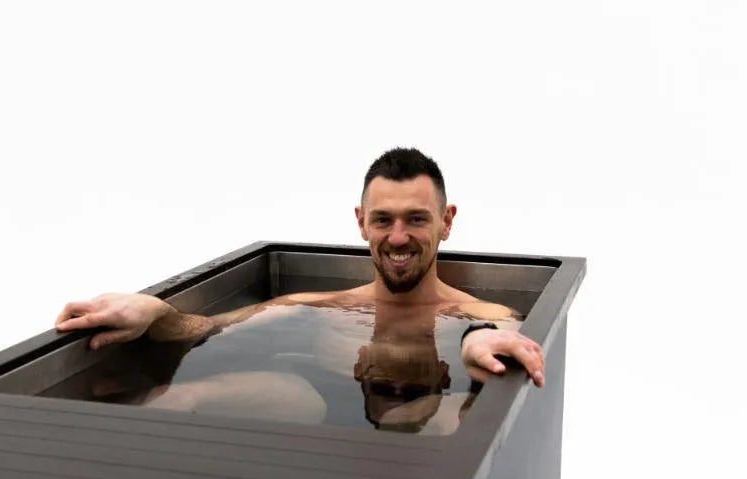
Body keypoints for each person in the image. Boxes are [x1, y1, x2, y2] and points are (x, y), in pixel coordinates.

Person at [54, 148, 546, 427]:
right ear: (361, 223)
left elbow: (499, 333)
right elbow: (204, 328)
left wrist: (475, 340)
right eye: (383, 220)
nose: (398, 237)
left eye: (416, 219)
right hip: (321, 410)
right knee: (257, 395)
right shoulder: (315, 304)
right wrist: (154, 311)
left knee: (441, 423)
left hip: (426, 425)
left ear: (446, 221)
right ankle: (88, 438)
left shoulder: (475, 313)